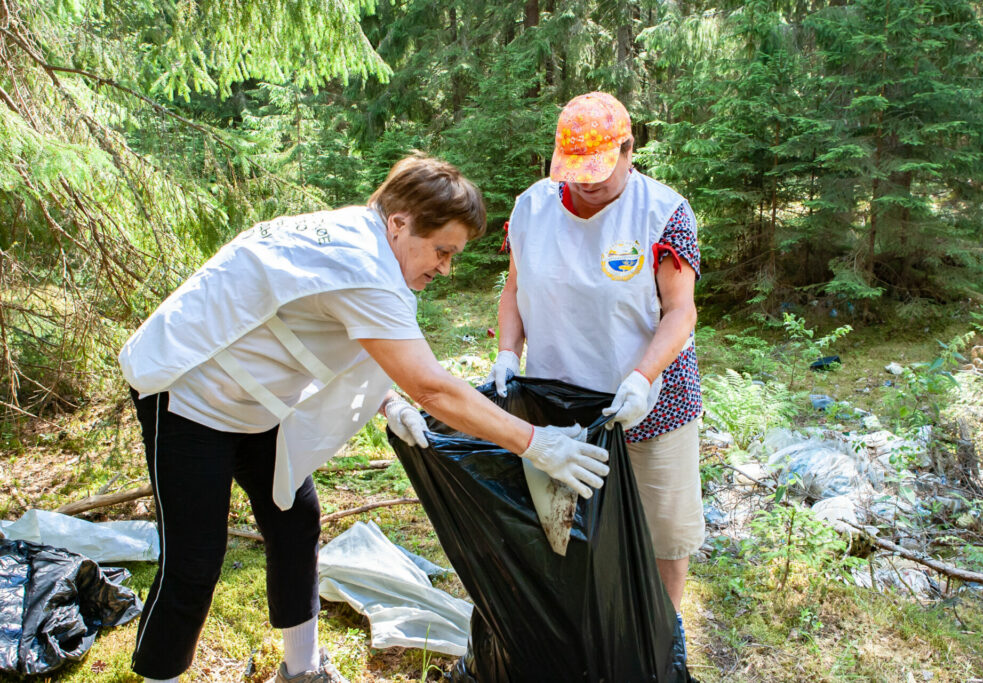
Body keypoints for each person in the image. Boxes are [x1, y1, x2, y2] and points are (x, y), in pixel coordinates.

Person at [119, 155, 610, 683]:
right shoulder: (361, 265)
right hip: (188, 390)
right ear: (400, 223)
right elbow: (433, 386)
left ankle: (302, 668)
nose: (446, 268)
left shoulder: (371, 242)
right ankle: (159, 675)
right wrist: (535, 442)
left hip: (257, 400)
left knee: (295, 518)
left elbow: (346, 331)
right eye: (442, 251)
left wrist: (388, 402)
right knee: (194, 559)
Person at [488, 92, 704, 644]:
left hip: (651, 403)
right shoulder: (531, 208)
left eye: (600, 171)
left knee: (663, 533)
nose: (587, 183)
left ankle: (657, 641)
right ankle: (585, 636)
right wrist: (508, 352)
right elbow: (514, 291)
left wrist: (641, 376)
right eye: (575, 172)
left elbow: (681, 312)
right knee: (568, 525)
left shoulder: (662, 211)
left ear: (630, 150)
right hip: (560, 404)